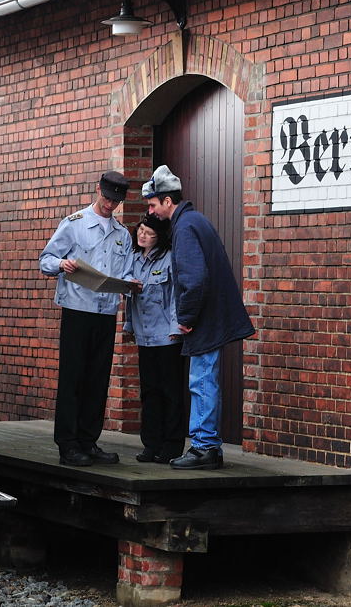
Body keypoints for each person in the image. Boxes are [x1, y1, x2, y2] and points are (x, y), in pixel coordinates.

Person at [142, 165, 256, 470]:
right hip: (212, 315)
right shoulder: (193, 221)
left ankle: (204, 447)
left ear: (167, 201)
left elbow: (194, 278)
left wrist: (187, 317)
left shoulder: (184, 227)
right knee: (205, 379)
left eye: (153, 204)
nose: (150, 212)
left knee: (202, 380)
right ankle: (209, 446)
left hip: (205, 318)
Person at [39, 171, 133, 466]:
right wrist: (61, 263)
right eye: (107, 198)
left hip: (105, 312)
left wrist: (131, 284)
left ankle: (88, 441)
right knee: (73, 378)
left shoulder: (123, 235)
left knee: (97, 378)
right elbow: (46, 260)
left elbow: (126, 272)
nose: (110, 205)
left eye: (115, 201)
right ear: (97, 191)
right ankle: (67, 444)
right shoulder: (75, 224)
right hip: (78, 309)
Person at [123, 213, 185, 464]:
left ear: (160, 237)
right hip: (145, 335)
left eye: (149, 233)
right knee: (149, 391)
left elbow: (175, 296)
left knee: (170, 391)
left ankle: (171, 445)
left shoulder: (170, 259)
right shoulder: (134, 260)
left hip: (167, 336)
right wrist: (129, 326)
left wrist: (176, 328)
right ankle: (151, 444)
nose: (142, 235)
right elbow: (129, 297)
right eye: (140, 231)